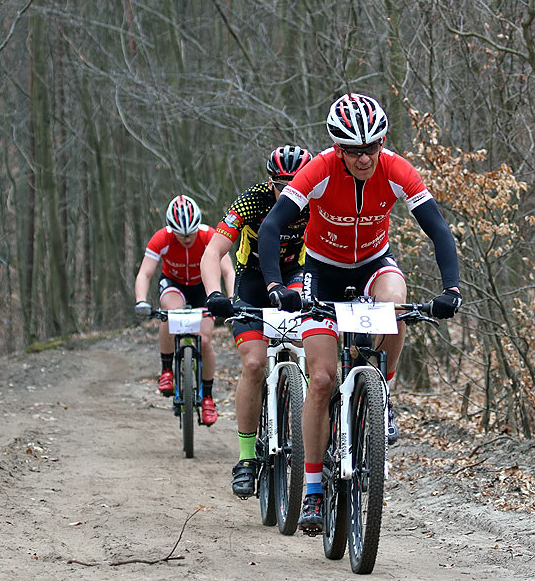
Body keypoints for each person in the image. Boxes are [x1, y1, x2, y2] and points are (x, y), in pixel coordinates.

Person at [256, 93, 462, 533]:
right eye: (353, 150)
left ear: (382, 142)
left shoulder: (397, 170)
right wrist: (276, 285)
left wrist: (451, 289)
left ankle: (382, 393)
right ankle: (312, 486)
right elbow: (272, 226)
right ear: (338, 148)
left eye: (371, 147)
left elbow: (438, 229)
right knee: (323, 379)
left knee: (397, 301)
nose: (364, 157)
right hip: (322, 274)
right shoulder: (318, 171)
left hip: (374, 264)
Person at [202, 145, 312, 498]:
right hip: (251, 282)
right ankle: (246, 459)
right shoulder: (251, 200)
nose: (289, 191)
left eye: (296, 183)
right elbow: (213, 250)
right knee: (252, 364)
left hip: (295, 275)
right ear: (269, 182)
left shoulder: (319, 198)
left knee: (312, 350)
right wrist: (214, 293)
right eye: (281, 185)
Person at [133, 194, 234, 425]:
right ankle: (167, 370)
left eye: (190, 233)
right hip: (174, 284)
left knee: (205, 339)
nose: (187, 238)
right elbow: (145, 273)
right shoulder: (161, 238)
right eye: (181, 234)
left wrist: (230, 298)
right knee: (170, 314)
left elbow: (228, 271)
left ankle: (207, 397)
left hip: (202, 286)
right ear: (171, 229)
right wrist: (141, 300)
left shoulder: (210, 236)